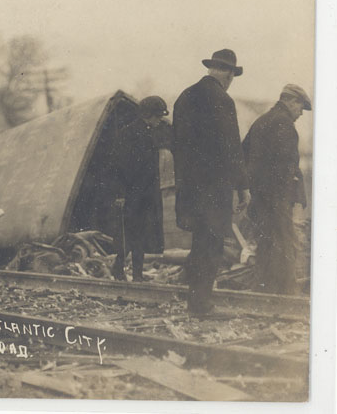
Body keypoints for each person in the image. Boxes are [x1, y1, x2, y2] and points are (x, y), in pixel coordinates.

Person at [173, 49, 250, 315]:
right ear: (228, 73)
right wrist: (243, 187)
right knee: (212, 244)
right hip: (215, 189)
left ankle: (195, 302)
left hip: (189, 189)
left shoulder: (184, 97)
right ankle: (202, 304)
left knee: (198, 243)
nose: (231, 79)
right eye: (232, 75)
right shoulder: (222, 100)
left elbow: (177, 146)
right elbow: (232, 148)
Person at [242, 84, 311, 295]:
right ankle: (284, 294)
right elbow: (287, 166)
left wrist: (253, 187)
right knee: (284, 245)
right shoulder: (285, 125)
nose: (300, 113)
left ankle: (264, 291)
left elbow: (243, 154)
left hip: (260, 197)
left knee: (265, 245)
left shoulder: (260, 122)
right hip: (278, 197)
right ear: (290, 101)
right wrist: (292, 196)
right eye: (300, 107)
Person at [105, 96, 171, 282]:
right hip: (132, 194)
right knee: (130, 234)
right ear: (147, 115)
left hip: (146, 194)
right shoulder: (128, 134)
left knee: (140, 234)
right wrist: (120, 194)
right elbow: (118, 167)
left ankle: (136, 274)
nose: (159, 119)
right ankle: (120, 268)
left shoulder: (152, 132)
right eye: (157, 115)